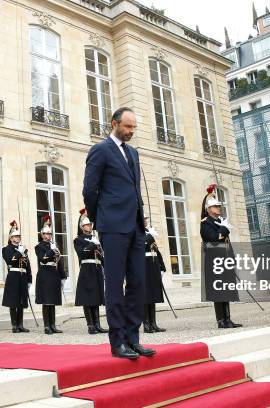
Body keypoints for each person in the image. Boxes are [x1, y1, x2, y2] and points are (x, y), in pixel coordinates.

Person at [83, 106, 155, 360]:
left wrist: (142, 221)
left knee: (137, 282)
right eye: (127, 126)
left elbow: (135, 190)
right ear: (114, 123)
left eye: (134, 127)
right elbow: (89, 191)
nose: (131, 131)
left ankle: (133, 338)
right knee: (115, 284)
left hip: (135, 227)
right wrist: (99, 220)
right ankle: (117, 342)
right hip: (112, 227)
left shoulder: (133, 153)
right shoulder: (100, 150)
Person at [200, 184, 242, 329]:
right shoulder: (206, 223)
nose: (219, 208)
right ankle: (221, 321)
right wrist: (224, 229)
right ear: (209, 209)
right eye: (216, 206)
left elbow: (225, 241)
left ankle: (228, 319)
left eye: (219, 206)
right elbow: (213, 238)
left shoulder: (220, 221)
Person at [73, 209, 107, 335]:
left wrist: (106, 266)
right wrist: (92, 245)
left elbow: (101, 255)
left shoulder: (95, 238)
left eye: (90, 225)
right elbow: (81, 253)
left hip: (97, 269)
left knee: (96, 297)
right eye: (87, 225)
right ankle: (90, 325)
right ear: (82, 227)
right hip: (87, 269)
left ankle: (98, 324)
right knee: (88, 298)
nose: (90, 226)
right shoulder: (78, 240)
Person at [35, 215, 66, 335]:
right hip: (45, 273)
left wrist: (63, 275)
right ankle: (47, 326)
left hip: (54, 273)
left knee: (53, 301)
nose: (49, 236)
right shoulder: (39, 246)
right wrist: (51, 250)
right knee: (47, 301)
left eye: (50, 234)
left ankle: (53, 325)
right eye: (46, 234)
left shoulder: (54, 246)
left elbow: (59, 261)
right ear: (42, 235)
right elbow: (43, 259)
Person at [2, 221, 32, 333]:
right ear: (10, 238)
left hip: (23, 275)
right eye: (15, 236)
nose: (17, 238)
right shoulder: (6, 249)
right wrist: (19, 252)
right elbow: (10, 260)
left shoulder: (23, 249)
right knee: (13, 300)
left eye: (18, 236)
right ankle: (14, 325)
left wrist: (29, 279)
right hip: (13, 275)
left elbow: (28, 266)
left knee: (21, 300)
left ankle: (20, 324)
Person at [143, 217, 166, 333]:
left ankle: (153, 323)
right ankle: (146, 324)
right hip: (143, 265)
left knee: (153, 295)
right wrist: (148, 237)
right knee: (146, 295)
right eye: (143, 219)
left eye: (146, 219)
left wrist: (162, 265)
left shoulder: (148, 232)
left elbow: (155, 250)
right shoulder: (135, 231)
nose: (145, 221)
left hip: (153, 265)